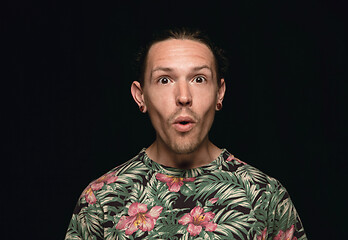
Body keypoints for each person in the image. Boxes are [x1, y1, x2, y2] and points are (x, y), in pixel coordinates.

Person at [65, 28, 307, 240]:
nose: (183, 96)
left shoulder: (265, 196)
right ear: (141, 96)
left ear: (219, 93)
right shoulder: (101, 199)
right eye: (164, 80)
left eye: (199, 79)